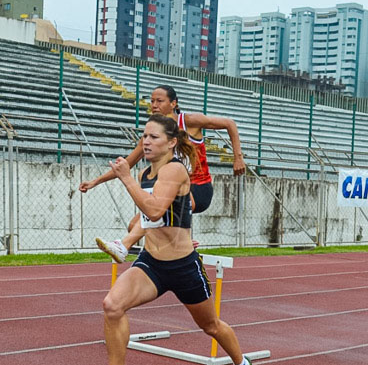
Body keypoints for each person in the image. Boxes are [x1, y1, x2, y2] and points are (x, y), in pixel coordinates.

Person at [83, 114, 256, 365]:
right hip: (153, 264)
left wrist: (125, 178)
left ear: (171, 142)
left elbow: (153, 210)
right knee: (112, 305)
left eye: (153, 137)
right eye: (144, 136)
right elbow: (149, 217)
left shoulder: (175, 170)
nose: (146, 142)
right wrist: (130, 235)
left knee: (211, 326)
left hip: (183, 266)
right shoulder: (144, 175)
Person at [79, 85, 246, 262]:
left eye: (160, 101)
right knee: (134, 225)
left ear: (173, 103)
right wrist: (95, 181)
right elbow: (127, 163)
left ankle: (124, 245)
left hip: (198, 189)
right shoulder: (154, 136)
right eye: (152, 101)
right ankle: (181, 242)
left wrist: (238, 158)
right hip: (171, 191)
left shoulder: (188, 121)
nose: (154, 105)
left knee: (156, 211)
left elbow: (230, 123)